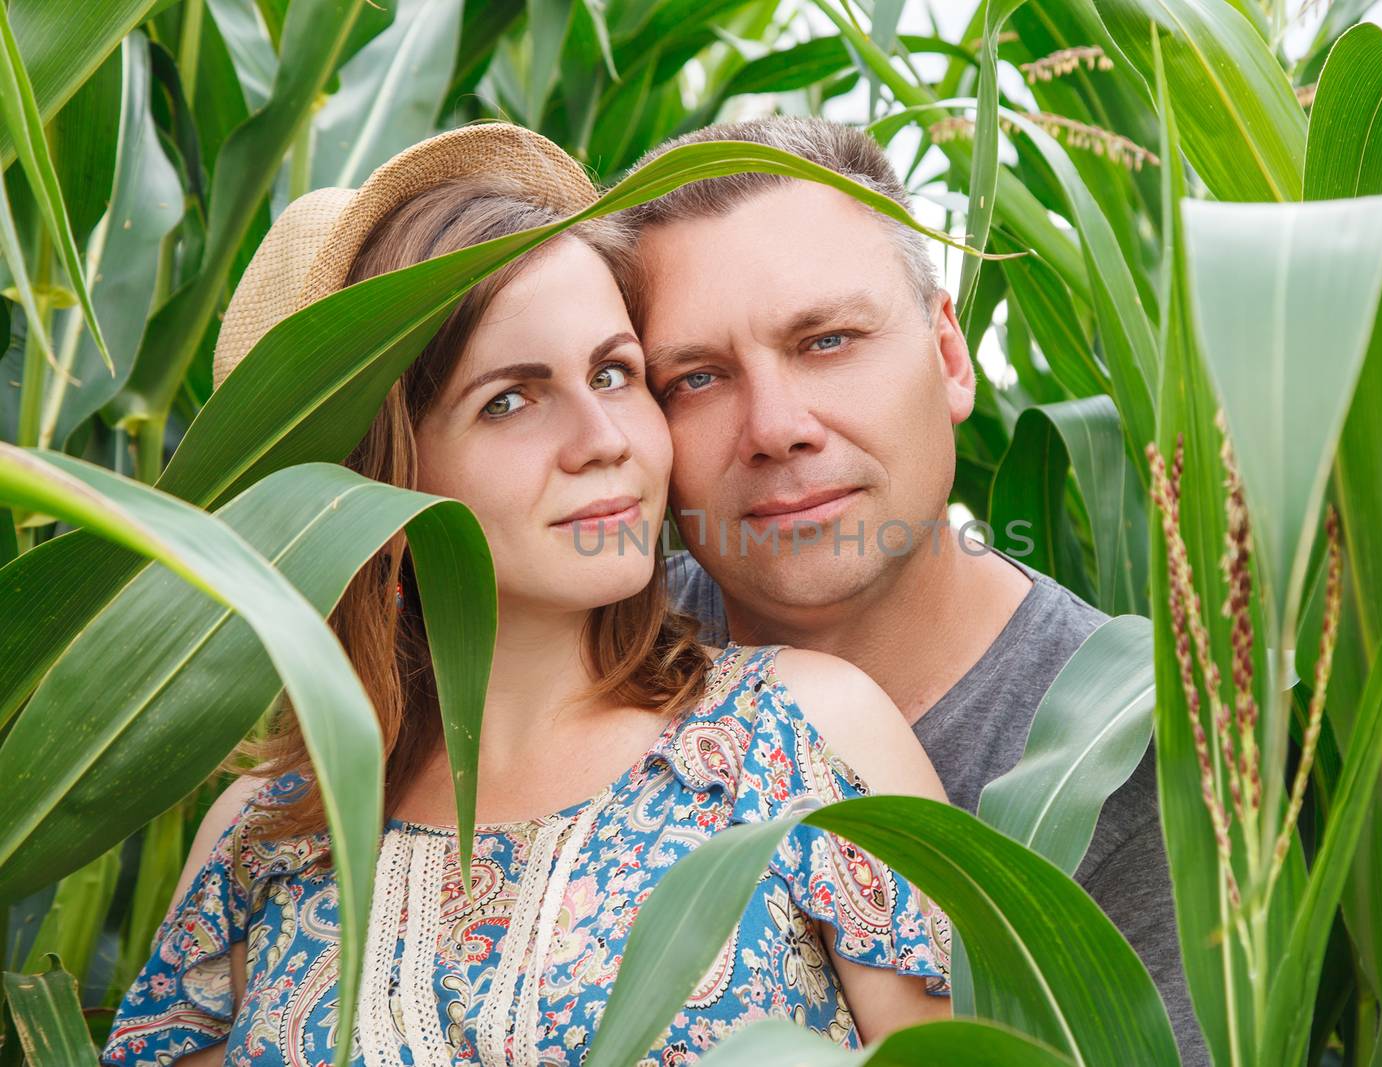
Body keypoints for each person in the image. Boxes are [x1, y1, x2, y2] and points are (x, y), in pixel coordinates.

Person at [101, 124, 952, 1067]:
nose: (605, 437)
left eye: (614, 373)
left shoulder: (800, 741)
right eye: (510, 398)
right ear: (380, 474)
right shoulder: (265, 837)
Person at [618, 116, 1203, 1062]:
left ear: (949, 356)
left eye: (827, 340)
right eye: (696, 378)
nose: (775, 426)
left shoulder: (1126, 750)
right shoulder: (592, 658)